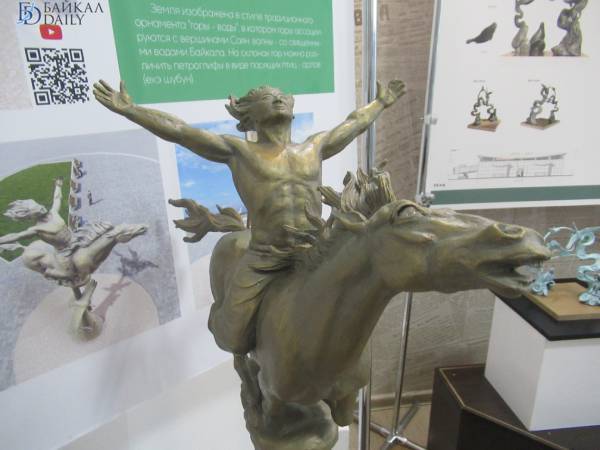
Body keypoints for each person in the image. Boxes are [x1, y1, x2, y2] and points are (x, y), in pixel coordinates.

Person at [93, 79, 406, 354]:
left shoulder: (315, 146)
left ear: (292, 108)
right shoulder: (237, 151)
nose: (278, 98)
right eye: (268, 97)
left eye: (282, 95)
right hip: (267, 257)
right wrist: (130, 110)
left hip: (317, 249)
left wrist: (381, 102)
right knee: (232, 336)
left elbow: (354, 122)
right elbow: (180, 131)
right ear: (250, 114)